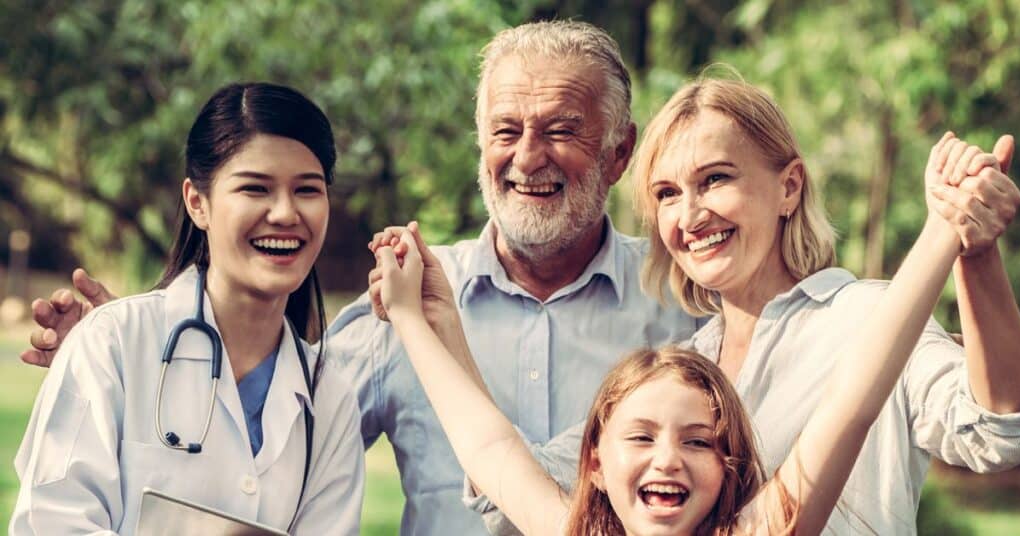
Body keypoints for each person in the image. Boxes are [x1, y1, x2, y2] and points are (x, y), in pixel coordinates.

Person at [19, 22, 701, 535]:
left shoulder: (685, 312)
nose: (527, 156)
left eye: (561, 129)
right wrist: (126, 350)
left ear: (619, 152)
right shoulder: (401, 300)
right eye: (504, 130)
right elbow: (254, 415)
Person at [449, 79, 1020, 533]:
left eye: (715, 178)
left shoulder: (870, 316)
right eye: (667, 194)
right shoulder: (681, 369)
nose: (691, 214)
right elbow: (519, 479)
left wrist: (973, 254)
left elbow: (998, 429)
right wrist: (432, 315)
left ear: (789, 187)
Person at [10, 83, 364, 535]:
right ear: (198, 202)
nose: (284, 213)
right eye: (255, 188)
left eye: (307, 190)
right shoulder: (111, 343)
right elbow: (52, 523)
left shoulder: (328, 396)